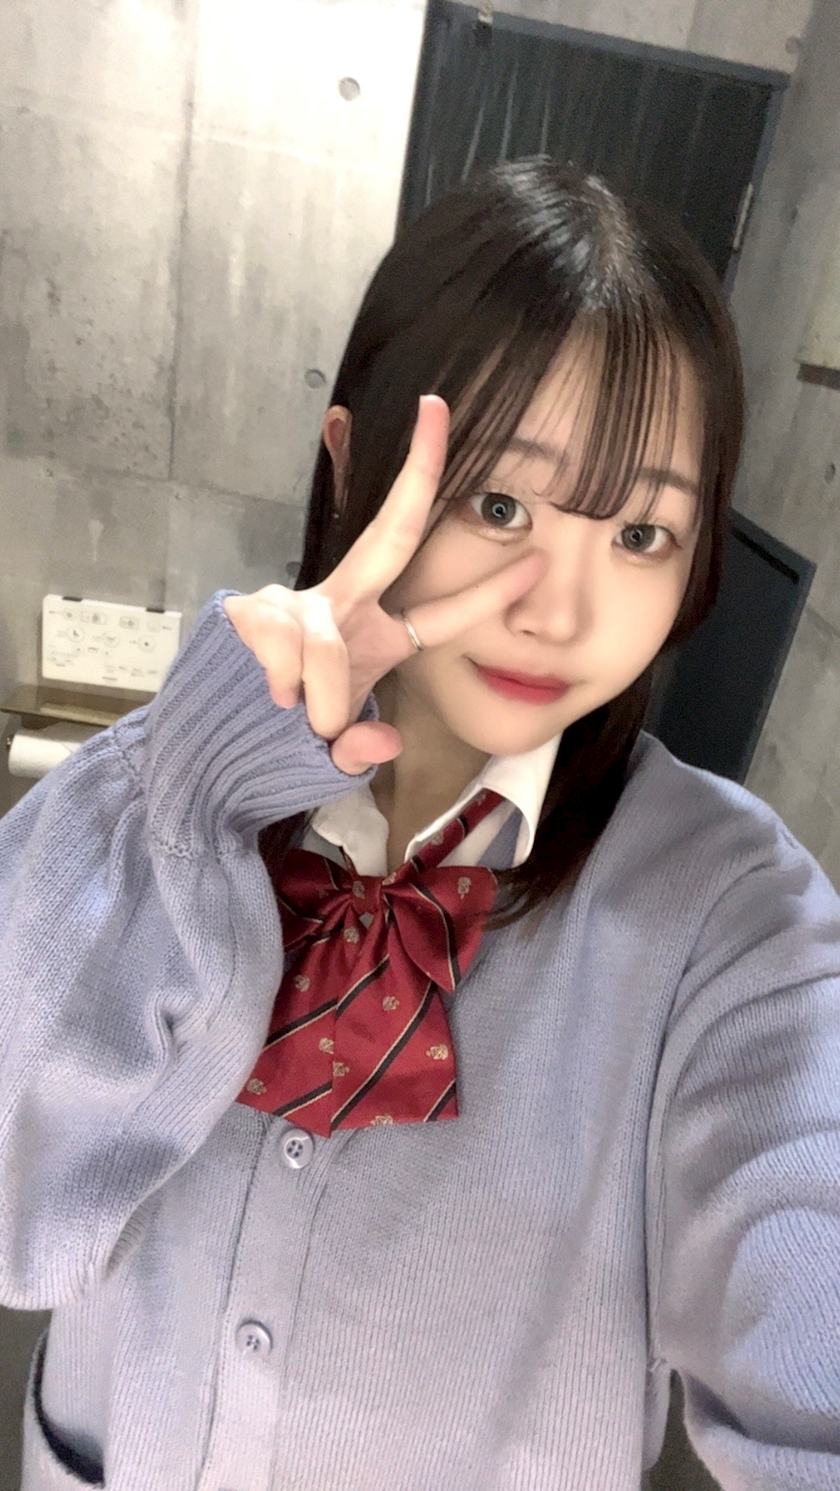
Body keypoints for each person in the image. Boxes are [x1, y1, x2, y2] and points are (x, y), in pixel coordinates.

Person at [1, 158, 839, 1491]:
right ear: (351, 463)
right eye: (501, 504)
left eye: (642, 534)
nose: (561, 611)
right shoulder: (159, 799)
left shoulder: (735, 922)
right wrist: (189, 782)